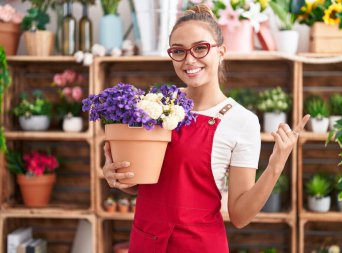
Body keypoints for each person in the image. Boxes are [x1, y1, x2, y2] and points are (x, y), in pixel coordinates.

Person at [102, 4, 310, 252]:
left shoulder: (241, 121)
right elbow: (146, 183)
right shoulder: (157, 104)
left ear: (221, 51)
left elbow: (240, 216)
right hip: (147, 242)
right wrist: (118, 176)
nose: (190, 59)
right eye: (178, 51)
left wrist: (276, 164)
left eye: (200, 48)